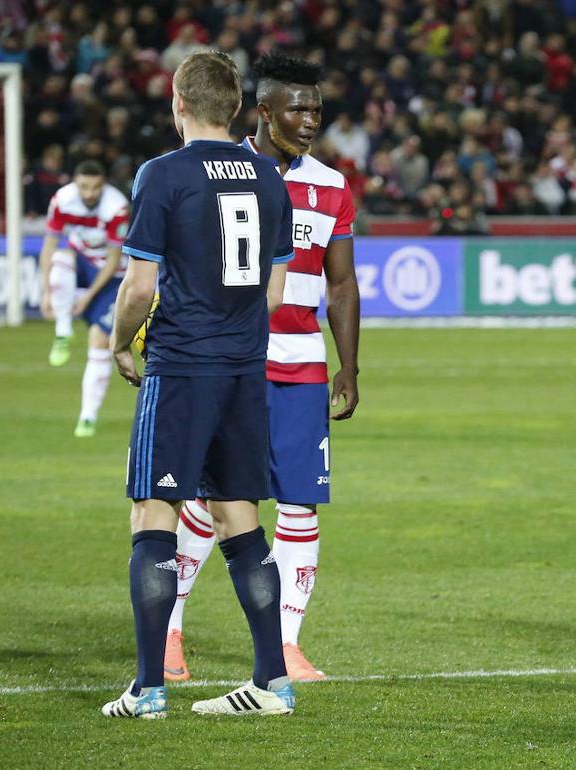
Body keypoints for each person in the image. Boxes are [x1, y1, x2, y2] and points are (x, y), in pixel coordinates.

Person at [100, 51, 297, 719]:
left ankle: (149, 687)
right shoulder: (271, 177)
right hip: (245, 368)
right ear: (237, 108)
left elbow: (139, 286)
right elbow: (274, 290)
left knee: (153, 514)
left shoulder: (162, 174)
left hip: (183, 365)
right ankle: (272, 682)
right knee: (240, 514)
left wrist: (119, 341)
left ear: (178, 103)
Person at [163, 53, 361, 684]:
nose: (309, 120)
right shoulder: (228, 172)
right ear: (263, 111)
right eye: (296, 108)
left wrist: (349, 368)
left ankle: (286, 645)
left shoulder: (331, 185)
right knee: (208, 499)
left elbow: (343, 284)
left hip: (302, 367)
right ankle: (169, 632)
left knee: (300, 503)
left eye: (316, 109)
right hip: (232, 360)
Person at [37, 160, 129, 437]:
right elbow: (49, 246)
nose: (89, 193)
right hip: (82, 263)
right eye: (84, 187)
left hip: (113, 276)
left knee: (99, 340)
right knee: (61, 258)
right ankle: (63, 330)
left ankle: (87, 417)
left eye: (95, 187)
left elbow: (113, 261)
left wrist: (87, 298)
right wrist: (45, 293)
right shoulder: (63, 200)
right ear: (75, 183)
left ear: (104, 185)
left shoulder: (116, 206)